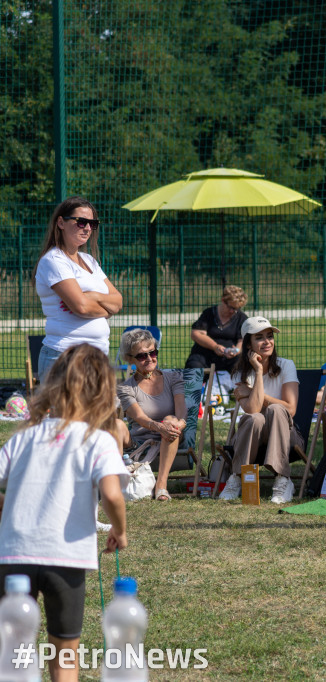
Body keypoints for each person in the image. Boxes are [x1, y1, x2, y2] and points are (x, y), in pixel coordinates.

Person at [0, 344, 128, 682]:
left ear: (52, 384)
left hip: (13, 556)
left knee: (13, 653)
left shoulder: (24, 436)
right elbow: (113, 495)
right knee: (65, 654)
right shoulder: (97, 440)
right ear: (104, 391)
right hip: (66, 559)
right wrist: (120, 530)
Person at [34, 196, 123, 382]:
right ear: (61, 222)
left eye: (92, 223)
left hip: (97, 358)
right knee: (65, 413)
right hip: (65, 358)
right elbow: (81, 307)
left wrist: (91, 296)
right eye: (81, 222)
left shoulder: (90, 261)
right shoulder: (54, 260)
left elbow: (118, 301)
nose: (88, 228)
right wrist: (102, 306)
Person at [219, 316, 301, 505]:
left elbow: (291, 408)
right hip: (253, 434)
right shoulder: (241, 373)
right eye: (259, 337)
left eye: (269, 336)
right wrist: (257, 371)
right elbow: (253, 409)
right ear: (248, 344)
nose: (267, 342)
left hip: (286, 435)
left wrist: (254, 392)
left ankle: (283, 479)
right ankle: (237, 478)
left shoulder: (286, 365)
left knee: (276, 409)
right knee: (254, 418)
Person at [116, 328, 187, 502]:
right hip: (138, 442)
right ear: (130, 359)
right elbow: (139, 418)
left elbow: (181, 409)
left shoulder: (173, 377)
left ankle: (161, 486)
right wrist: (159, 426)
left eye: (152, 352)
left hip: (172, 436)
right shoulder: (126, 387)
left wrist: (177, 424)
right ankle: (117, 482)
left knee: (172, 421)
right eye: (141, 356)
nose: (149, 359)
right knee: (116, 425)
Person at [185, 285, 248, 369]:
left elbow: (243, 340)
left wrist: (236, 350)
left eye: (236, 309)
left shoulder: (241, 318)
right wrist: (215, 347)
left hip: (230, 358)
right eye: (231, 307)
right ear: (223, 300)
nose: (232, 311)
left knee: (242, 365)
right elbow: (196, 334)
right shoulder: (209, 313)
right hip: (204, 355)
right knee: (194, 366)